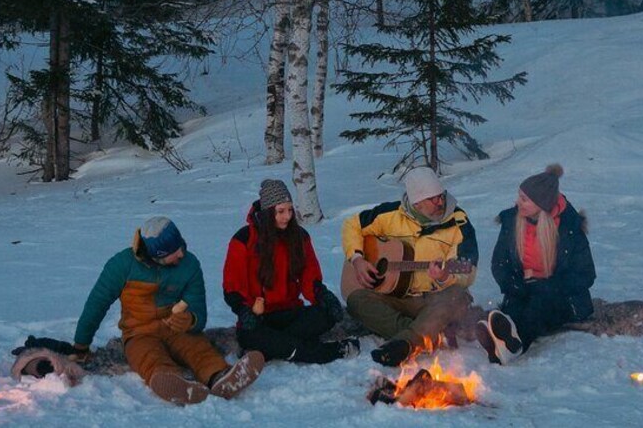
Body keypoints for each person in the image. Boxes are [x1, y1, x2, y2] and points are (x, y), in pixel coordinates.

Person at [73, 217, 264, 405]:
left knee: (198, 348)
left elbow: (198, 307)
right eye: (174, 252)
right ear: (157, 255)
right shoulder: (122, 265)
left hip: (177, 330)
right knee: (149, 357)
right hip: (139, 333)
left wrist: (191, 320)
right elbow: (97, 304)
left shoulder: (189, 265)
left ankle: (221, 376)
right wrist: (81, 343)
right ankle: (172, 382)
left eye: (180, 246)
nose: (181, 253)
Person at [341, 166, 478, 367]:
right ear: (416, 202)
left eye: (441, 196)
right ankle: (427, 333)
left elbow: (469, 271)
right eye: (433, 199)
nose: (440, 202)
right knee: (356, 300)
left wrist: (444, 276)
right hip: (396, 296)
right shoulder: (390, 215)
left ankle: (406, 343)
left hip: (433, 299)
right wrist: (357, 259)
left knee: (456, 297)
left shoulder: (458, 222)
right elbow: (352, 224)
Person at [223, 179, 360, 364]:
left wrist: (322, 295)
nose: (287, 216)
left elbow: (309, 277)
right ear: (267, 212)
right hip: (258, 319)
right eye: (280, 211)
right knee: (252, 334)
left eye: (289, 210)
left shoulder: (299, 236)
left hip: (290, 313)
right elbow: (233, 285)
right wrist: (243, 310)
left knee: (326, 314)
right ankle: (326, 352)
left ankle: (271, 348)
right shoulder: (244, 240)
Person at [478, 164, 596, 365]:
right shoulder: (512, 222)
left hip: (560, 295)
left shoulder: (569, 227)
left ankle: (514, 345)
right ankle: (497, 338)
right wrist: (513, 285)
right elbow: (500, 262)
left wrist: (547, 285)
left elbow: (585, 274)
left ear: (542, 204)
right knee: (515, 307)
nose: (518, 202)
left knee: (537, 309)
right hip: (523, 287)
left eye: (524, 199)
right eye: (519, 196)